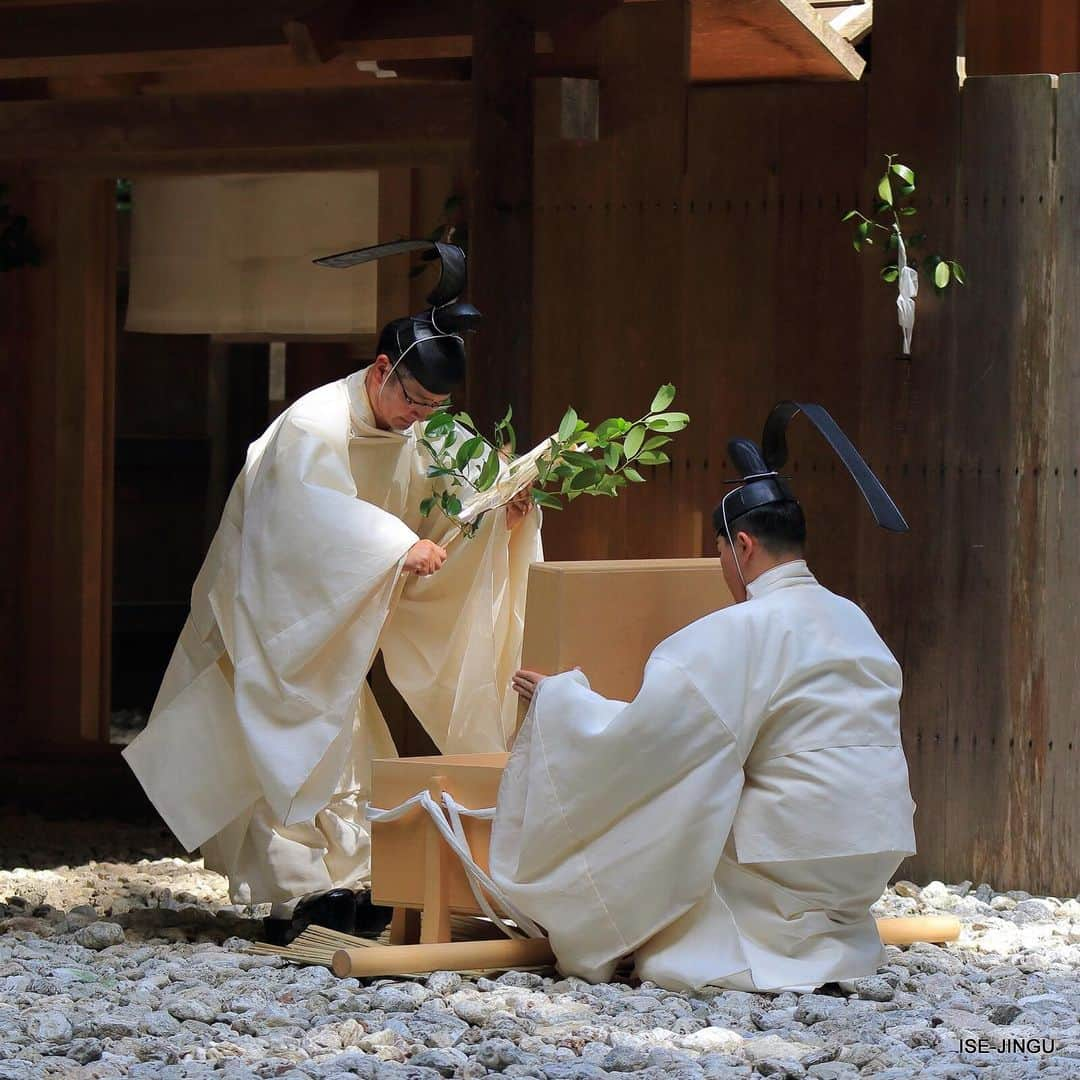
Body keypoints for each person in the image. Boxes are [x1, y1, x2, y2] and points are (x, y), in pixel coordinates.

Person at [124, 241, 541, 943]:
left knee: (345, 755)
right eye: (412, 400)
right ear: (382, 371)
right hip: (276, 628)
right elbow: (302, 518)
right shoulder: (312, 425)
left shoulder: (421, 425)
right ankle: (297, 897)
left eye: (435, 407)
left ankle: (347, 887)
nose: (420, 417)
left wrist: (500, 510)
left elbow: (452, 496)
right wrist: (391, 545)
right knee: (282, 751)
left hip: (332, 633)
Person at [490, 402, 916, 993]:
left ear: (741, 547)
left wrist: (562, 701)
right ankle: (827, 944)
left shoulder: (738, 631)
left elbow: (649, 744)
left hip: (793, 853)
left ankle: (754, 947)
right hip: (874, 849)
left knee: (674, 808)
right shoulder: (856, 621)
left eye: (720, 553)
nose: (721, 567)